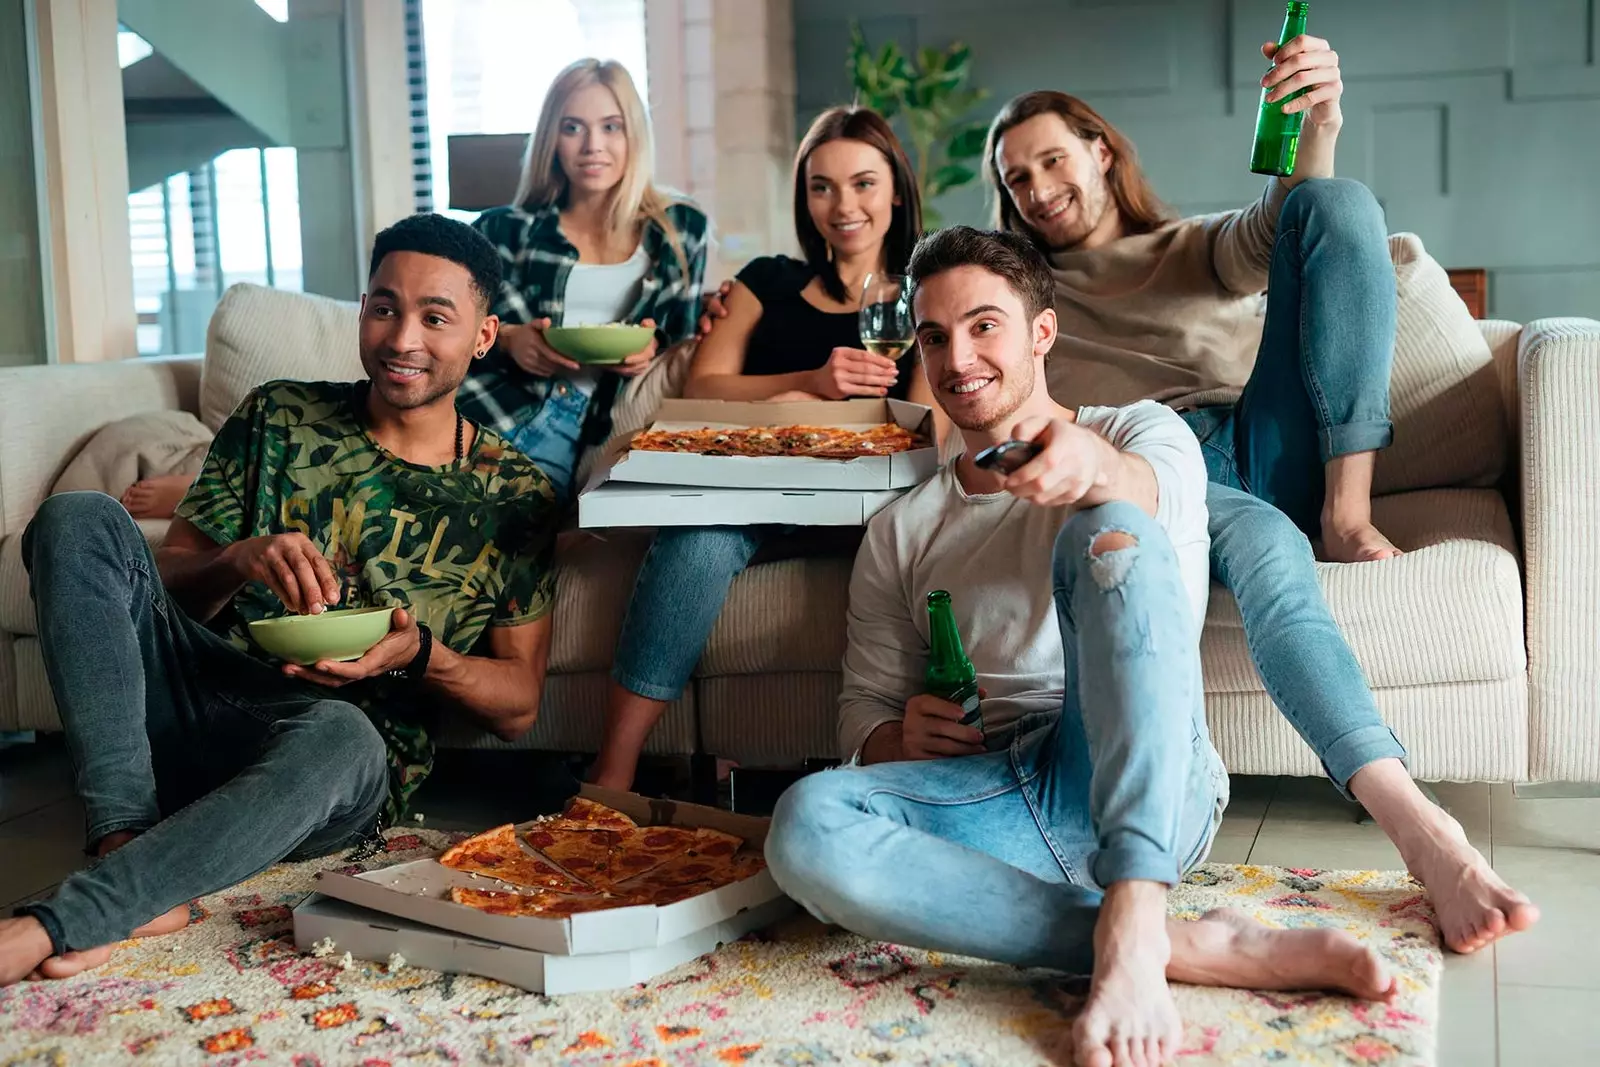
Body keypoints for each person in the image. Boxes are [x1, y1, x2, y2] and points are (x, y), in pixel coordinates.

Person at [764, 227, 1395, 1067]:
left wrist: (1090, 472)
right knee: (803, 825)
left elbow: (1144, 503)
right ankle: (1179, 943)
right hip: (999, 794)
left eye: (985, 325)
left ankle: (1134, 905)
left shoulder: (1142, 434)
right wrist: (892, 736)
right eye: (936, 334)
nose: (960, 358)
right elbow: (861, 711)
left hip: (1142, 781)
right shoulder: (901, 530)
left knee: (1110, 527)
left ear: (1042, 334)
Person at [980, 38, 1536, 955]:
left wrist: (1317, 124)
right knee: (1274, 559)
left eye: (1051, 161)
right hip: (1155, 475)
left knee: (1337, 199)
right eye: (1016, 179)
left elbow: (1291, 211)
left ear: (1100, 153)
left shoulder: (1195, 247)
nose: (1036, 189)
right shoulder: (1025, 293)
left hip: (1258, 441)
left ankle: (1347, 512)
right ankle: (1426, 833)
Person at [0, 213, 559, 986]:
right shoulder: (278, 415)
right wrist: (241, 557)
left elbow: (519, 701)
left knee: (346, 736)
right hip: (205, 697)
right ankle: (123, 841)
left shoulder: (518, 492)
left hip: (325, 764)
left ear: (485, 335)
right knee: (78, 517)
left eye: (436, 318)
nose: (403, 338)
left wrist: (422, 656)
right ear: (362, 307)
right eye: (384, 307)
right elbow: (167, 592)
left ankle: (60, 920)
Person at [588, 106, 937, 791]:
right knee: (698, 535)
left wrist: (819, 412)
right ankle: (613, 773)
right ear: (804, 198)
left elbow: (925, 421)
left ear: (897, 190)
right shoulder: (767, 280)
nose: (844, 206)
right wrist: (810, 382)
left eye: (864, 184)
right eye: (822, 187)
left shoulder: (927, 290)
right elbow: (704, 384)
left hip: (875, 498)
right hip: (760, 494)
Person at [457, 58, 709, 503]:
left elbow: (682, 341)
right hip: (493, 405)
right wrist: (509, 340)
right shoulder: (502, 230)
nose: (593, 145)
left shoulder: (681, 230)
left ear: (635, 135)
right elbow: (448, 327)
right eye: (573, 127)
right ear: (552, 139)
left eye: (611, 127)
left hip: (588, 426)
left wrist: (652, 349)